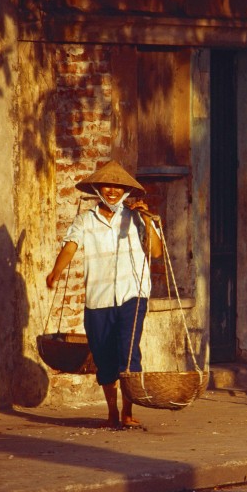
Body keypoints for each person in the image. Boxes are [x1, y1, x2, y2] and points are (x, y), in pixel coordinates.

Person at [46, 160, 162, 429]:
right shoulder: (85, 220)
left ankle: (128, 412)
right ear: (98, 188)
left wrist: (147, 216)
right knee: (103, 356)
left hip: (132, 294)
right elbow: (70, 246)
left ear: (125, 191)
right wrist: (56, 272)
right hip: (98, 298)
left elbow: (155, 252)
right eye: (107, 185)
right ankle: (112, 412)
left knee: (128, 353)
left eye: (118, 187)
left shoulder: (136, 217)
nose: (112, 191)